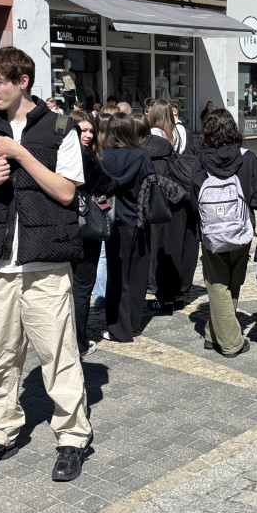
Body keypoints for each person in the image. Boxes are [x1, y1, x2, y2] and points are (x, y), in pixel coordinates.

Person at [0, 47, 91, 483]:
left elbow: (66, 193)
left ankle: (73, 437)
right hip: (0, 260)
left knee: (58, 355)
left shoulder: (60, 128)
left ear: (22, 81)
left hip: (46, 260)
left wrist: (20, 155)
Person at [191, 109, 257, 356]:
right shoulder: (249, 158)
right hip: (241, 233)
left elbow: (194, 202)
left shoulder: (200, 161)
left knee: (217, 284)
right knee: (231, 284)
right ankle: (231, 343)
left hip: (211, 235)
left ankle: (215, 334)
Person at [99, 112, 155, 342]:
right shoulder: (141, 155)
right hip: (139, 220)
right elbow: (151, 184)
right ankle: (134, 323)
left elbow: (97, 189)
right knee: (138, 274)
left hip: (113, 221)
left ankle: (119, 328)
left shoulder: (102, 157)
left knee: (116, 276)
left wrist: (103, 207)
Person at [70, 111, 117, 357]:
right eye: (82, 130)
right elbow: (106, 185)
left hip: (65, 226)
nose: (87, 135)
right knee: (82, 285)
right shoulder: (84, 157)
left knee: (70, 286)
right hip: (84, 226)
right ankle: (78, 342)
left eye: (91, 130)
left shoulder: (60, 152)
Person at [145, 99, 199, 311]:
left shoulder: (152, 138)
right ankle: (181, 291)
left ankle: (165, 294)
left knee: (164, 246)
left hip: (163, 196)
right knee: (184, 242)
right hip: (184, 193)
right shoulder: (182, 133)